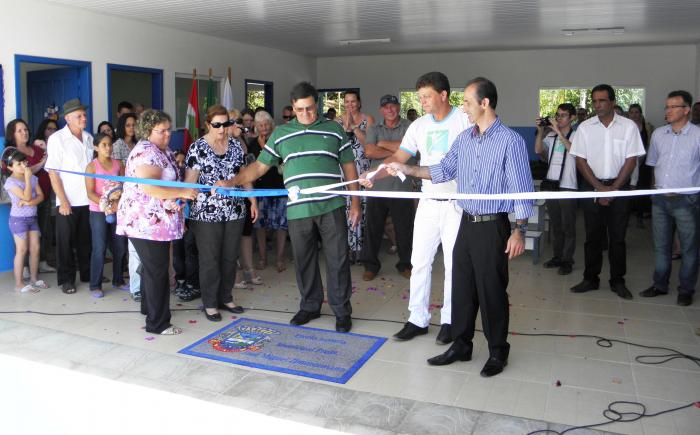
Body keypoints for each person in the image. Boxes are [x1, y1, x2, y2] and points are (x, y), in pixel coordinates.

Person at [384, 77, 534, 377]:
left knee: (491, 291)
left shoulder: (510, 141)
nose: (462, 108)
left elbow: (522, 189)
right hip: (465, 220)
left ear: (485, 103)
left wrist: (519, 230)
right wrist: (407, 168)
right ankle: (461, 344)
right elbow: (442, 170)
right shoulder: (464, 139)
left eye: (466, 102)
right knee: (462, 287)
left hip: (493, 226)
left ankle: (497, 351)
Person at [227, 82, 359, 333]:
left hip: (331, 206)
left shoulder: (334, 130)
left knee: (338, 259)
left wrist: (355, 203)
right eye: (300, 110)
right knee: (304, 259)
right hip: (298, 210)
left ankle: (342, 310)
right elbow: (259, 167)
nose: (306, 114)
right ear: (293, 108)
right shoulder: (282, 134)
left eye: (310, 108)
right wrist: (232, 181)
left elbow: (349, 167)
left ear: (316, 105)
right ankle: (310, 305)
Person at [362, 72, 471, 345]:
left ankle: (449, 320)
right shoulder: (419, 126)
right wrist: (374, 176)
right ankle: (417, 319)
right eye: (420, 96)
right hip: (427, 202)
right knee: (419, 261)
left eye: (427, 96)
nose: (421, 101)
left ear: (443, 95)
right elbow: (399, 158)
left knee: (453, 266)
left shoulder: (464, 120)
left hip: (457, 204)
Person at [116, 109, 197, 335]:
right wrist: (183, 192)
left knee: (151, 267)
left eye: (169, 130)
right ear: (147, 131)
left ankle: (149, 308)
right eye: (161, 131)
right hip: (146, 223)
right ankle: (158, 323)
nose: (167, 135)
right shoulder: (145, 152)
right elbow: (149, 186)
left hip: (158, 223)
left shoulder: (162, 150)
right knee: (157, 270)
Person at [569, 84, 645, 300]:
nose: (597, 105)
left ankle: (617, 280)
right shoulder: (585, 127)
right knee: (592, 236)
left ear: (612, 102)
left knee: (618, 238)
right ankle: (590, 278)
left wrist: (613, 188)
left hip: (618, 188)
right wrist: (599, 188)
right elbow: (580, 160)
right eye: (594, 101)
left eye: (602, 100)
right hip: (591, 187)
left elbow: (631, 160)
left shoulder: (628, 126)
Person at [185, 105, 252, 321]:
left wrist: (253, 200)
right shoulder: (197, 148)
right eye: (217, 125)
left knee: (230, 256)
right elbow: (189, 183)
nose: (222, 129)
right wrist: (185, 198)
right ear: (208, 124)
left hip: (235, 210)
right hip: (206, 214)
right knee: (210, 258)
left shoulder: (235, 146)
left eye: (226, 124)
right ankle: (210, 302)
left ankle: (225, 296)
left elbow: (244, 175)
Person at [640, 90, 700, 307]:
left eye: (674, 107)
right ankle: (660, 284)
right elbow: (653, 165)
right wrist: (653, 192)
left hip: (687, 201)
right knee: (661, 246)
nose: (668, 111)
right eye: (667, 107)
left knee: (689, 248)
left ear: (686, 110)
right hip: (660, 200)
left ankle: (686, 290)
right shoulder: (658, 135)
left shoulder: (697, 136)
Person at [359, 94, 414, 281]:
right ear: (381, 110)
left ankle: (405, 264)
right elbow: (369, 151)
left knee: (405, 229)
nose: (390, 110)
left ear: (398, 107)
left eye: (393, 106)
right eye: (386, 107)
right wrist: (397, 150)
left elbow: (411, 150)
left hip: (402, 187)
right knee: (373, 229)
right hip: (377, 186)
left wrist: (382, 144)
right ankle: (370, 265)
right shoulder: (374, 127)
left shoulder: (409, 127)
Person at [46, 99, 95, 294]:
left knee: (86, 240)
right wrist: (63, 200)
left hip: (88, 199)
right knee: (65, 241)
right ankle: (66, 279)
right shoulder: (57, 139)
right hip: (68, 200)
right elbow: (53, 173)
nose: (84, 118)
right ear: (67, 118)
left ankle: (87, 273)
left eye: (84, 115)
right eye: (79, 116)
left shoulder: (89, 138)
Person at [5, 119, 55, 274]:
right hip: (25, 201)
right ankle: (25, 267)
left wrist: (46, 156)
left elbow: (50, 164)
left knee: (43, 232)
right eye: (19, 130)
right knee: (23, 236)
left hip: (43, 196)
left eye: (25, 129)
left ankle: (42, 262)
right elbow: (24, 172)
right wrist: (41, 164)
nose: (24, 132)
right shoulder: (11, 152)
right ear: (12, 134)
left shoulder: (35, 148)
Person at [534, 103, 578, 275]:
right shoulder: (550, 135)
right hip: (552, 184)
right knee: (556, 225)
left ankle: (568, 260)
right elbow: (538, 150)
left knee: (569, 226)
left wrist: (559, 132)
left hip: (568, 185)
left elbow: (573, 151)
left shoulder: (577, 135)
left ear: (572, 118)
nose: (559, 118)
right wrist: (540, 131)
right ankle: (557, 256)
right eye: (557, 115)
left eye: (563, 115)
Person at [85, 133, 128, 298]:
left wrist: (117, 203)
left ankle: (118, 280)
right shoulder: (92, 167)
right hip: (98, 211)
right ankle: (95, 285)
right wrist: (106, 205)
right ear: (96, 147)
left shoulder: (118, 164)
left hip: (117, 210)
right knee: (99, 247)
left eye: (109, 144)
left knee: (119, 246)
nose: (108, 148)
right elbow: (90, 192)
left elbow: (125, 186)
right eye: (103, 145)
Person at [3, 150, 48, 293]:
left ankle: (34, 279)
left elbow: (41, 196)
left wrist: (29, 203)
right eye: (19, 164)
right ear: (10, 167)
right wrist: (28, 180)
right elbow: (27, 196)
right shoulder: (10, 182)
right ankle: (19, 284)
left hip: (32, 218)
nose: (24, 166)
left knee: (35, 248)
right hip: (18, 220)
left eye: (25, 162)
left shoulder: (33, 178)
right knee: (22, 250)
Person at [338, 90, 375, 262]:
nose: (350, 105)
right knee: (345, 209)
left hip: (363, 170)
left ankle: (362, 250)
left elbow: (369, 144)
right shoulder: (337, 121)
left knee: (363, 209)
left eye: (353, 101)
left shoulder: (368, 120)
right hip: (343, 171)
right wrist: (344, 126)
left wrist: (353, 127)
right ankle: (348, 249)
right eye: (347, 102)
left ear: (359, 103)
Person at [251, 110, 288, 273]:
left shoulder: (279, 140)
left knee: (281, 225)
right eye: (260, 125)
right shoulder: (252, 143)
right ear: (256, 127)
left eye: (266, 124)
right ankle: (262, 258)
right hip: (260, 190)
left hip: (280, 188)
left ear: (271, 125)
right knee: (260, 225)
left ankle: (280, 259)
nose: (264, 128)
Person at [628, 103, 654, 227]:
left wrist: (644, 157)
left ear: (640, 113)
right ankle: (626, 215)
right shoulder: (626, 127)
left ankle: (640, 216)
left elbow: (649, 144)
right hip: (628, 162)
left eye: (636, 112)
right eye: (632, 112)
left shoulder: (647, 127)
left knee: (642, 188)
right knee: (628, 188)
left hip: (644, 162)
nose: (634, 115)